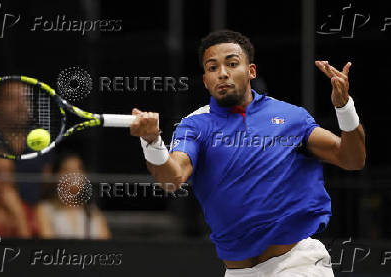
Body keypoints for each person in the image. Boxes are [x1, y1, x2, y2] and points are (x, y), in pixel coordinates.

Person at [130, 30, 366, 276]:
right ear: (205, 81)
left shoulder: (290, 117)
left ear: (251, 71)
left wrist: (344, 107)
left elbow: (352, 159)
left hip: (297, 263)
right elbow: (171, 179)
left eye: (232, 64)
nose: (222, 73)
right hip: (238, 272)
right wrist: (152, 141)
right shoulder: (194, 126)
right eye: (212, 68)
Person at [36, 153, 111, 239]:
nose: (74, 175)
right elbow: (48, 243)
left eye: (78, 169)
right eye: (68, 170)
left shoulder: (93, 211)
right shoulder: (45, 209)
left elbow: (106, 243)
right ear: (56, 175)